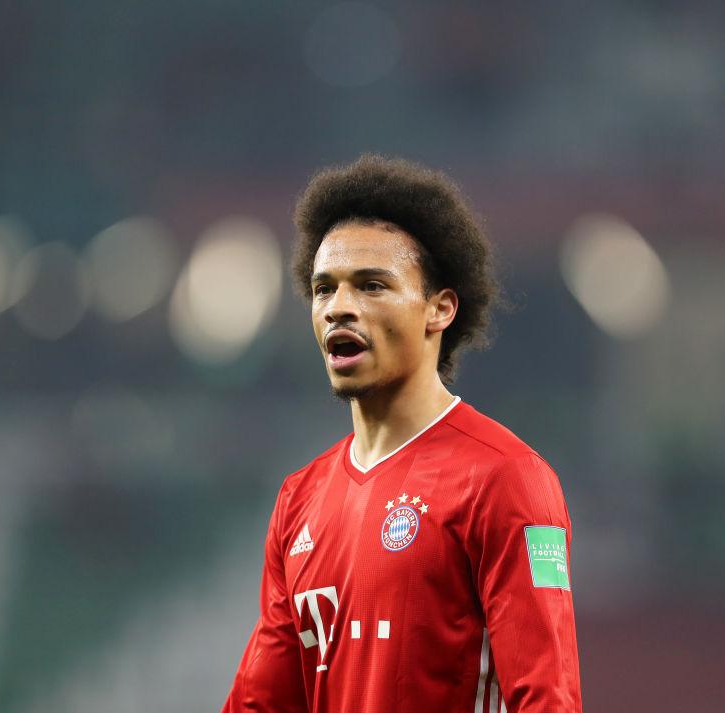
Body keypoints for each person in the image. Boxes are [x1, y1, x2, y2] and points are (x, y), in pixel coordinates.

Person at [221, 155, 582, 712]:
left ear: (440, 309)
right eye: (324, 289)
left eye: (371, 285)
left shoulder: (506, 479)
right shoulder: (299, 500)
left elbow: (546, 699)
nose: (339, 308)